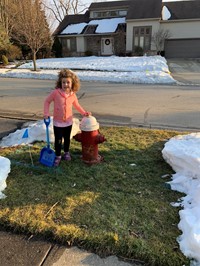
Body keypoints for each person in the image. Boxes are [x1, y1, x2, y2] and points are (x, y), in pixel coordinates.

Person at [44, 69, 91, 166]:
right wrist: (46, 113)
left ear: (72, 83)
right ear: (60, 82)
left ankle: (66, 152)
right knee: (58, 140)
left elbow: (77, 105)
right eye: (63, 82)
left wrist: (84, 113)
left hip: (68, 122)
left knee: (67, 138)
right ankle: (57, 155)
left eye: (68, 82)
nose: (65, 84)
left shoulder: (73, 95)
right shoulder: (56, 93)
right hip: (57, 122)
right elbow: (47, 101)